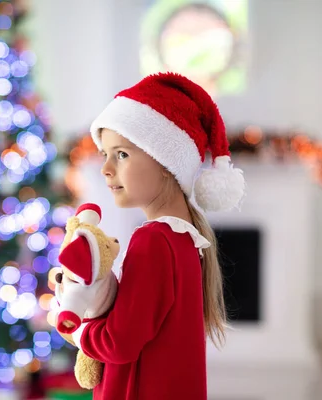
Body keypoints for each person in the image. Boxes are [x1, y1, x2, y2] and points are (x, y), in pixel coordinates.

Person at [68, 72, 246, 399]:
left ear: (165, 161)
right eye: (105, 154)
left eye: (121, 154)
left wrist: (76, 328)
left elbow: (117, 343)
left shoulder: (153, 241)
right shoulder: (186, 239)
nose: (106, 168)